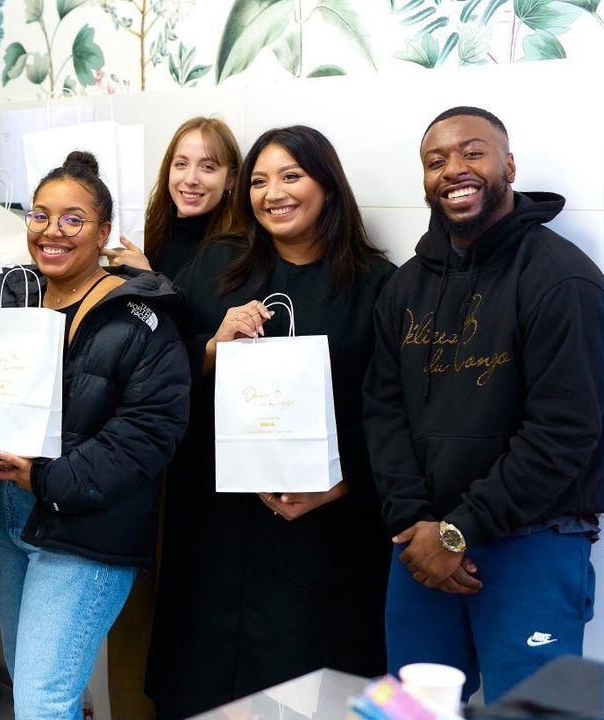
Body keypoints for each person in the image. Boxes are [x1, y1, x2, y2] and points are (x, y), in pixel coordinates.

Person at [147, 126, 395, 718]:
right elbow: (156, 370)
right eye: (259, 181)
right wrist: (213, 347)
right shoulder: (216, 266)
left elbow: (392, 409)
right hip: (213, 524)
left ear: (328, 186)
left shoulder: (376, 286)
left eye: (290, 176)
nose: (272, 193)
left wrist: (341, 485)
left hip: (322, 533)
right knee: (201, 684)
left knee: (303, 689)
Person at [363, 106, 603, 702]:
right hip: (421, 547)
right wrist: (417, 523)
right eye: (435, 160)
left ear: (509, 166)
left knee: (536, 713)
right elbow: (384, 412)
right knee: (413, 711)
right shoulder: (405, 287)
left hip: (534, 538)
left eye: (472, 152)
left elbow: (565, 432)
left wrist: (459, 532)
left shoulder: (562, 279)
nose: (453, 169)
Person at [0, 151, 191, 720]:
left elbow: (149, 433)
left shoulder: (141, 316)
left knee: (42, 702)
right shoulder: (11, 297)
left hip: (87, 527)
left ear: (103, 233)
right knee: (34, 688)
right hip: (9, 519)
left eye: (73, 219)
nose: (52, 231)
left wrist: (46, 478)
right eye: (40, 215)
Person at [102, 116, 249, 280]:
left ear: (230, 179)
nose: (190, 179)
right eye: (181, 164)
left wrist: (145, 276)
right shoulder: (151, 234)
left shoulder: (237, 252)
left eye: (207, 167)